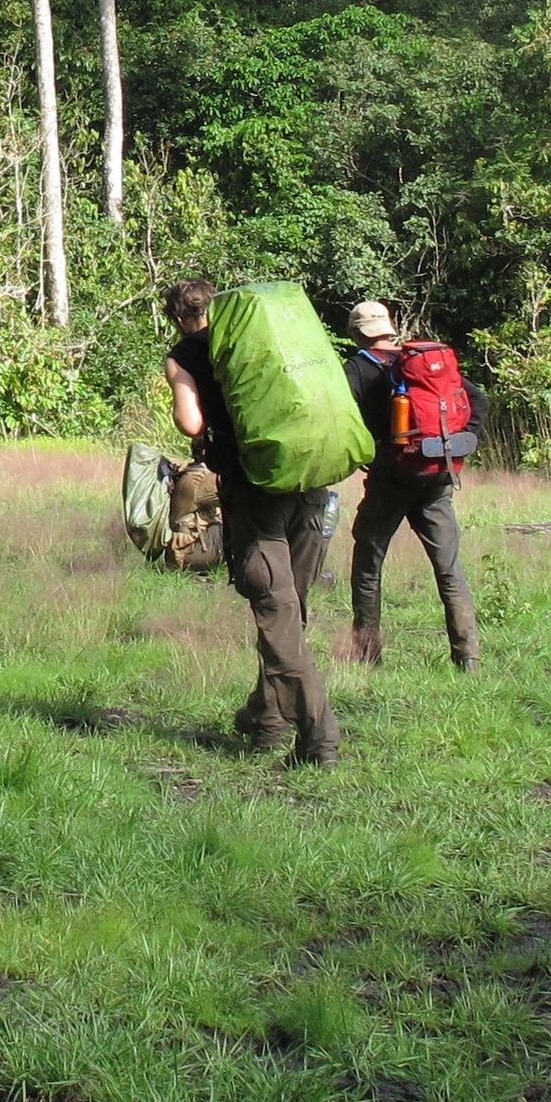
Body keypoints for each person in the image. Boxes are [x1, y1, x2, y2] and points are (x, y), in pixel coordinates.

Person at [163, 277, 338, 766]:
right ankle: (266, 718)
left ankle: (318, 737)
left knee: (275, 610)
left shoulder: (187, 352)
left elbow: (190, 424)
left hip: (256, 488)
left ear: (178, 317)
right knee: (290, 606)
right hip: (311, 478)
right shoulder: (261, 338)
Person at [343, 300, 483, 671]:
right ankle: (468, 657)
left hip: (390, 479)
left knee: (369, 562)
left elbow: (343, 422)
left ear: (356, 333)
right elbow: (478, 399)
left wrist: (367, 455)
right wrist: (455, 445)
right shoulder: (421, 361)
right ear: (389, 328)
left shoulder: (357, 368)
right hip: (437, 477)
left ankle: (366, 654)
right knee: (449, 567)